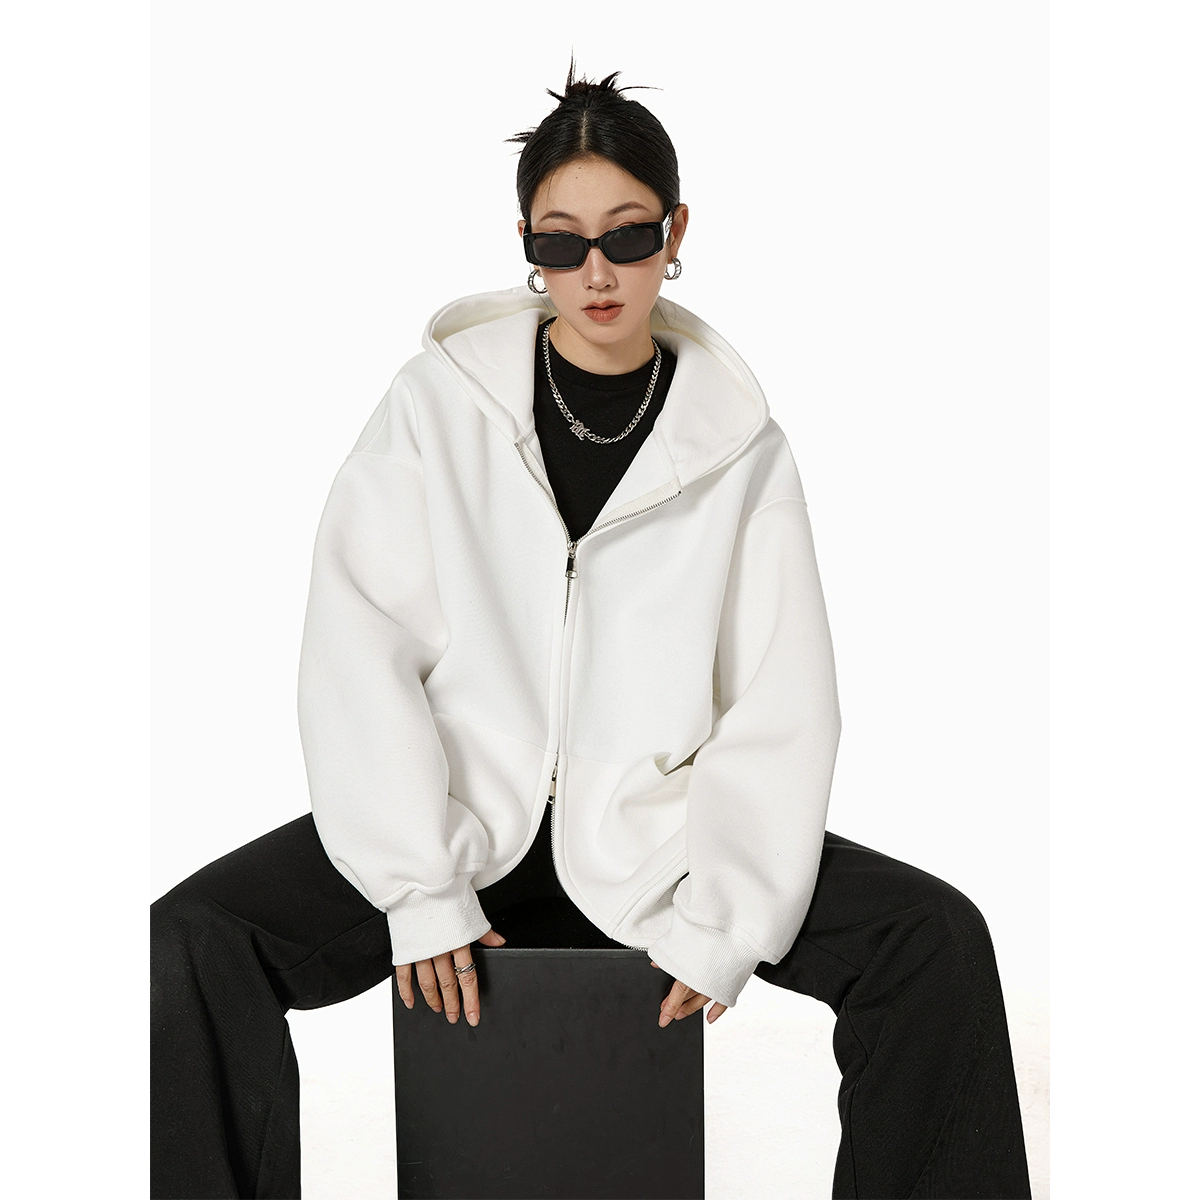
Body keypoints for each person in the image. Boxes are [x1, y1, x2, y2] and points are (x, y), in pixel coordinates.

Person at [151, 63, 1033, 1200]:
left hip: (657, 843)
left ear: (677, 232)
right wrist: (419, 888)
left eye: (627, 235)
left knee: (934, 942)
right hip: (463, 823)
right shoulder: (436, 406)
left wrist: (725, 920)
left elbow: (779, 695)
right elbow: (359, 646)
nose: (598, 272)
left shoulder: (741, 447)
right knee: (189, 942)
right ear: (527, 244)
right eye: (562, 243)